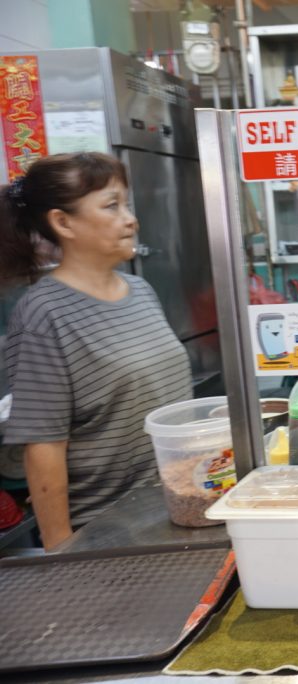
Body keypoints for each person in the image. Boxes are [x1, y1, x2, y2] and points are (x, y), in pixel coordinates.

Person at [0, 152, 192, 550]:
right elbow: (43, 446)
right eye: (111, 206)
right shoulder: (42, 314)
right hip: (111, 531)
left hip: (178, 506)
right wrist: (61, 551)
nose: (130, 219)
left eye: (127, 204)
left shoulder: (140, 291)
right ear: (63, 222)